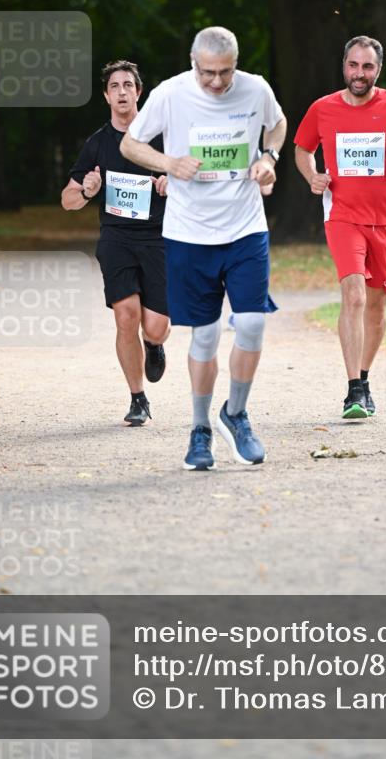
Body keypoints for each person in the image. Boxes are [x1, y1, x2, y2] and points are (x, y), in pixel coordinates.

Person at [120, 26, 287, 471]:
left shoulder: (255, 89)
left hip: (246, 227)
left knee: (252, 323)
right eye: (209, 73)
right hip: (189, 233)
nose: (217, 82)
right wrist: (169, 163)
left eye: (225, 72)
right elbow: (130, 144)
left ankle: (236, 413)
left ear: (237, 63)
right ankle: (200, 429)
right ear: (194, 63)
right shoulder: (170, 94)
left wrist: (269, 160)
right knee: (207, 335)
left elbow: (277, 125)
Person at [294, 35, 386, 419]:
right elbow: (302, 150)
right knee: (353, 296)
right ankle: (353, 389)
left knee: (376, 304)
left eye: (367, 66)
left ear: (378, 70)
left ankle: (366, 377)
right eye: (353, 65)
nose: (359, 73)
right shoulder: (323, 108)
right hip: (342, 215)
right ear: (344, 66)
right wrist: (312, 176)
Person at [61, 61, 170, 426]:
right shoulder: (97, 144)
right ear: (106, 95)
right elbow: (68, 200)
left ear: (139, 93)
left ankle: (154, 346)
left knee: (154, 326)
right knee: (126, 316)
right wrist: (87, 190)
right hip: (117, 239)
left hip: (159, 240)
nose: (122, 92)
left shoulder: (162, 138)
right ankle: (138, 398)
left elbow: (196, 179)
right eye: (115, 86)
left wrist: (173, 184)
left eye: (128, 85)